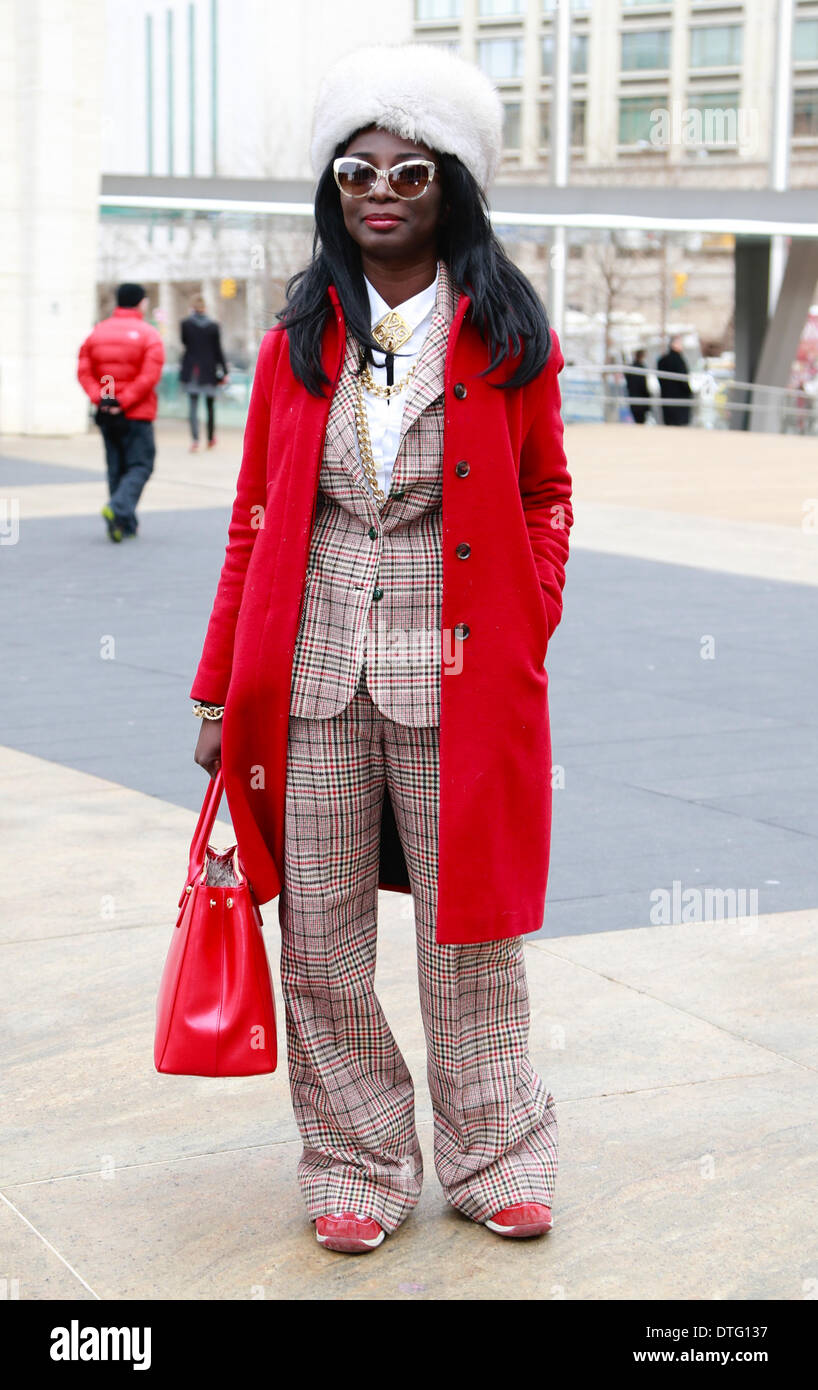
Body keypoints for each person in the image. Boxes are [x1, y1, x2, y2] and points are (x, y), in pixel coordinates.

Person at [190, 42, 573, 1255]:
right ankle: (356, 1157)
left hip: (456, 679)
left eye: (410, 171)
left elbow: (545, 496)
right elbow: (253, 517)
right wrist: (217, 688)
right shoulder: (292, 343)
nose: (381, 190)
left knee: (470, 934)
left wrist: (528, 617)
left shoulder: (508, 333)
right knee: (320, 940)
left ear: (448, 187)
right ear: (332, 189)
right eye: (357, 170)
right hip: (306, 681)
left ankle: (494, 1151)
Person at [77, 283, 164, 541]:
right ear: (141, 303)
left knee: (116, 467)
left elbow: (84, 371)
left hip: (107, 415)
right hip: (136, 414)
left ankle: (122, 524)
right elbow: (149, 376)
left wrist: (103, 399)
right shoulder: (149, 335)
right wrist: (123, 401)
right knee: (140, 466)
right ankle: (118, 509)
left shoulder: (97, 332)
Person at [180, 294, 230, 451]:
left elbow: (185, 343)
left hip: (192, 370)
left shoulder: (185, 324)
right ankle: (210, 438)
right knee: (210, 407)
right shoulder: (213, 326)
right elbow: (218, 350)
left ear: (192, 308)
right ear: (205, 308)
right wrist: (225, 370)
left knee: (193, 407)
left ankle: (195, 439)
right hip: (209, 370)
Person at [656, 335, 693, 426]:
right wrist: (689, 391)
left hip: (666, 399)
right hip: (680, 401)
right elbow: (683, 380)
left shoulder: (662, 360)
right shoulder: (679, 360)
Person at [624, 348, 652, 424]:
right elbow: (643, 385)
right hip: (641, 399)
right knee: (641, 421)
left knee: (637, 420)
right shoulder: (641, 368)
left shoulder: (630, 368)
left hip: (632, 397)